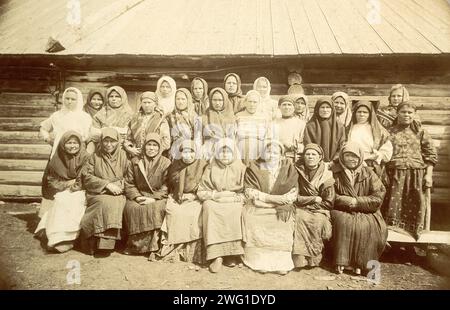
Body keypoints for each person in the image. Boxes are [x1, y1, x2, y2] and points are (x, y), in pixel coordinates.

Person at [330, 142, 387, 275]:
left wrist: (357, 201)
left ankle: (362, 264)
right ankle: (342, 262)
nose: (351, 159)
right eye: (348, 155)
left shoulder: (369, 173)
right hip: (342, 208)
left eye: (355, 156)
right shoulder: (335, 173)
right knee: (344, 223)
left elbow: (378, 197)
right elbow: (330, 194)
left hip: (367, 210)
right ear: (342, 157)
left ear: (360, 157)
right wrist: (346, 201)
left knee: (368, 226)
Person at [242, 140, 298, 275]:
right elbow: (249, 191)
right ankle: (258, 261)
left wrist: (272, 203)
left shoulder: (289, 169)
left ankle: (280, 263)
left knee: (284, 222)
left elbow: (293, 194)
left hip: (280, 207)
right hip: (259, 205)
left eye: (275, 152)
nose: (271, 155)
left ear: (282, 155)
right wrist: (273, 200)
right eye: (268, 152)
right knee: (251, 218)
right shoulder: (254, 167)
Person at [383, 102, 437, 239]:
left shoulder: (420, 132)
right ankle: (392, 241)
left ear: (414, 114)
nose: (406, 115)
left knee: (415, 205)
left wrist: (428, 175)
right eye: (403, 112)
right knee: (392, 207)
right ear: (397, 113)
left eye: (410, 112)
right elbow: (383, 153)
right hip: (394, 174)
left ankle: (411, 243)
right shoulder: (389, 131)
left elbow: (430, 154)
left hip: (416, 175)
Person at [35, 131, 89, 253]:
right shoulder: (56, 159)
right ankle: (57, 238)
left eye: (75, 143)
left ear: (80, 144)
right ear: (63, 144)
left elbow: (85, 178)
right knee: (60, 200)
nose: (72, 146)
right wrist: (68, 184)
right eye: (69, 143)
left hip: (82, 190)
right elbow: (51, 181)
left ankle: (68, 238)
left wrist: (74, 184)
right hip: (63, 190)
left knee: (72, 201)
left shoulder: (86, 157)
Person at [197, 138, 246, 273]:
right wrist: (215, 196)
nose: (225, 155)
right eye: (222, 152)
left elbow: (247, 192)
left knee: (237, 210)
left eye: (228, 152)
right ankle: (216, 255)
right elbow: (201, 191)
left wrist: (232, 197)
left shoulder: (242, 168)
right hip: (215, 201)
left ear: (234, 153)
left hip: (234, 201)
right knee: (209, 208)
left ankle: (232, 254)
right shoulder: (211, 167)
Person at [80, 127, 129, 256]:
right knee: (102, 203)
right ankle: (93, 241)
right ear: (101, 142)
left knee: (115, 203)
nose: (108, 145)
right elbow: (87, 176)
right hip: (98, 192)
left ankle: (106, 244)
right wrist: (106, 184)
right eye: (105, 141)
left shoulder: (124, 156)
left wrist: (118, 186)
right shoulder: (94, 157)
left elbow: (130, 176)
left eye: (112, 141)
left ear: (118, 142)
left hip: (118, 192)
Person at [157, 140, 208, 264]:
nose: (188, 155)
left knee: (194, 214)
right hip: (177, 197)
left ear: (195, 153)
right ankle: (174, 250)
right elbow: (170, 183)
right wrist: (177, 195)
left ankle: (191, 253)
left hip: (195, 198)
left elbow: (205, 184)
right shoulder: (175, 165)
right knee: (173, 213)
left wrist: (194, 195)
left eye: (191, 151)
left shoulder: (202, 165)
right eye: (184, 151)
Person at [123, 133, 170, 258]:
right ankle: (135, 247)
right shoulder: (135, 162)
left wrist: (153, 198)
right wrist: (137, 197)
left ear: (159, 147)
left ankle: (153, 247)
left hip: (157, 197)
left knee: (156, 208)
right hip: (139, 195)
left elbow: (166, 185)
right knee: (131, 208)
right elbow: (129, 182)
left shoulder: (166, 163)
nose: (151, 148)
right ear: (144, 147)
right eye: (149, 145)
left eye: (155, 145)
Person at [293, 144, 335, 269]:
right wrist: (313, 198)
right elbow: (295, 196)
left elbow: (328, 202)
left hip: (320, 210)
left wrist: (309, 203)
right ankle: (299, 258)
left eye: (313, 154)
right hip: (301, 207)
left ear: (320, 157)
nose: (310, 157)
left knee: (318, 221)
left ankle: (313, 258)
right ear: (303, 156)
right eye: (307, 154)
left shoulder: (327, 174)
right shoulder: (297, 171)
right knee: (299, 218)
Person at [40, 87, 92, 158]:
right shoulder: (57, 115)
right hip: (59, 152)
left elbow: (89, 136)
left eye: (73, 99)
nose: (69, 101)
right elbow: (43, 128)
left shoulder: (85, 117)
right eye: (67, 98)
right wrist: (48, 139)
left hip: (78, 154)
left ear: (78, 100)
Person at [346, 100, 393, 178]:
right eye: (359, 112)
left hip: (371, 165)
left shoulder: (379, 131)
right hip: (351, 164)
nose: (362, 114)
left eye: (365, 112)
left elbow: (386, 150)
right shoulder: (348, 129)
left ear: (370, 114)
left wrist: (376, 155)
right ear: (355, 113)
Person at [124, 91, 171, 160]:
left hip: (155, 156)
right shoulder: (135, 118)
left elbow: (166, 142)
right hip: (136, 155)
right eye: (144, 102)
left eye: (149, 102)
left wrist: (153, 151)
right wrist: (130, 149)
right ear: (141, 104)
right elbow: (128, 138)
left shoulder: (161, 119)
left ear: (155, 104)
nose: (147, 105)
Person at [235, 90, 272, 165]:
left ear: (259, 103)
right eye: (249, 101)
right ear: (245, 102)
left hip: (259, 151)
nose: (252, 104)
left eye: (255, 102)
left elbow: (268, 137)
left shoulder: (265, 117)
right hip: (241, 151)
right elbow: (234, 136)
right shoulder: (238, 116)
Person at [304, 98, 346, 162]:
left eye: (328, 107)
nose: (325, 110)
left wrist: (334, 161)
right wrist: (317, 161)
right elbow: (308, 145)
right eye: (322, 107)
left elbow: (342, 146)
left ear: (332, 110)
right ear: (317, 109)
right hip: (314, 163)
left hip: (335, 163)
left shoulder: (339, 127)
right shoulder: (310, 126)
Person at [202, 87, 237, 160]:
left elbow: (232, 137)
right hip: (209, 148)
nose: (217, 103)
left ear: (225, 100)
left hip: (226, 148)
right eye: (214, 100)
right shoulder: (206, 115)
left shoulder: (230, 115)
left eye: (220, 100)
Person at [167, 88, 201, 158]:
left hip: (190, 150)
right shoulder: (169, 116)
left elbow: (198, 137)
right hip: (174, 150)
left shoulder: (195, 117)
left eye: (183, 99)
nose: (180, 102)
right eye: (178, 99)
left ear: (188, 100)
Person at [272, 95, 306, 161]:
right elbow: (269, 141)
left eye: (289, 105)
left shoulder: (301, 124)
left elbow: (304, 142)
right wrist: (282, 143)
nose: (287, 107)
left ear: (294, 107)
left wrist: (295, 146)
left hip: (295, 158)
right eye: (284, 105)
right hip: (277, 157)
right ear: (279, 107)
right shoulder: (273, 123)